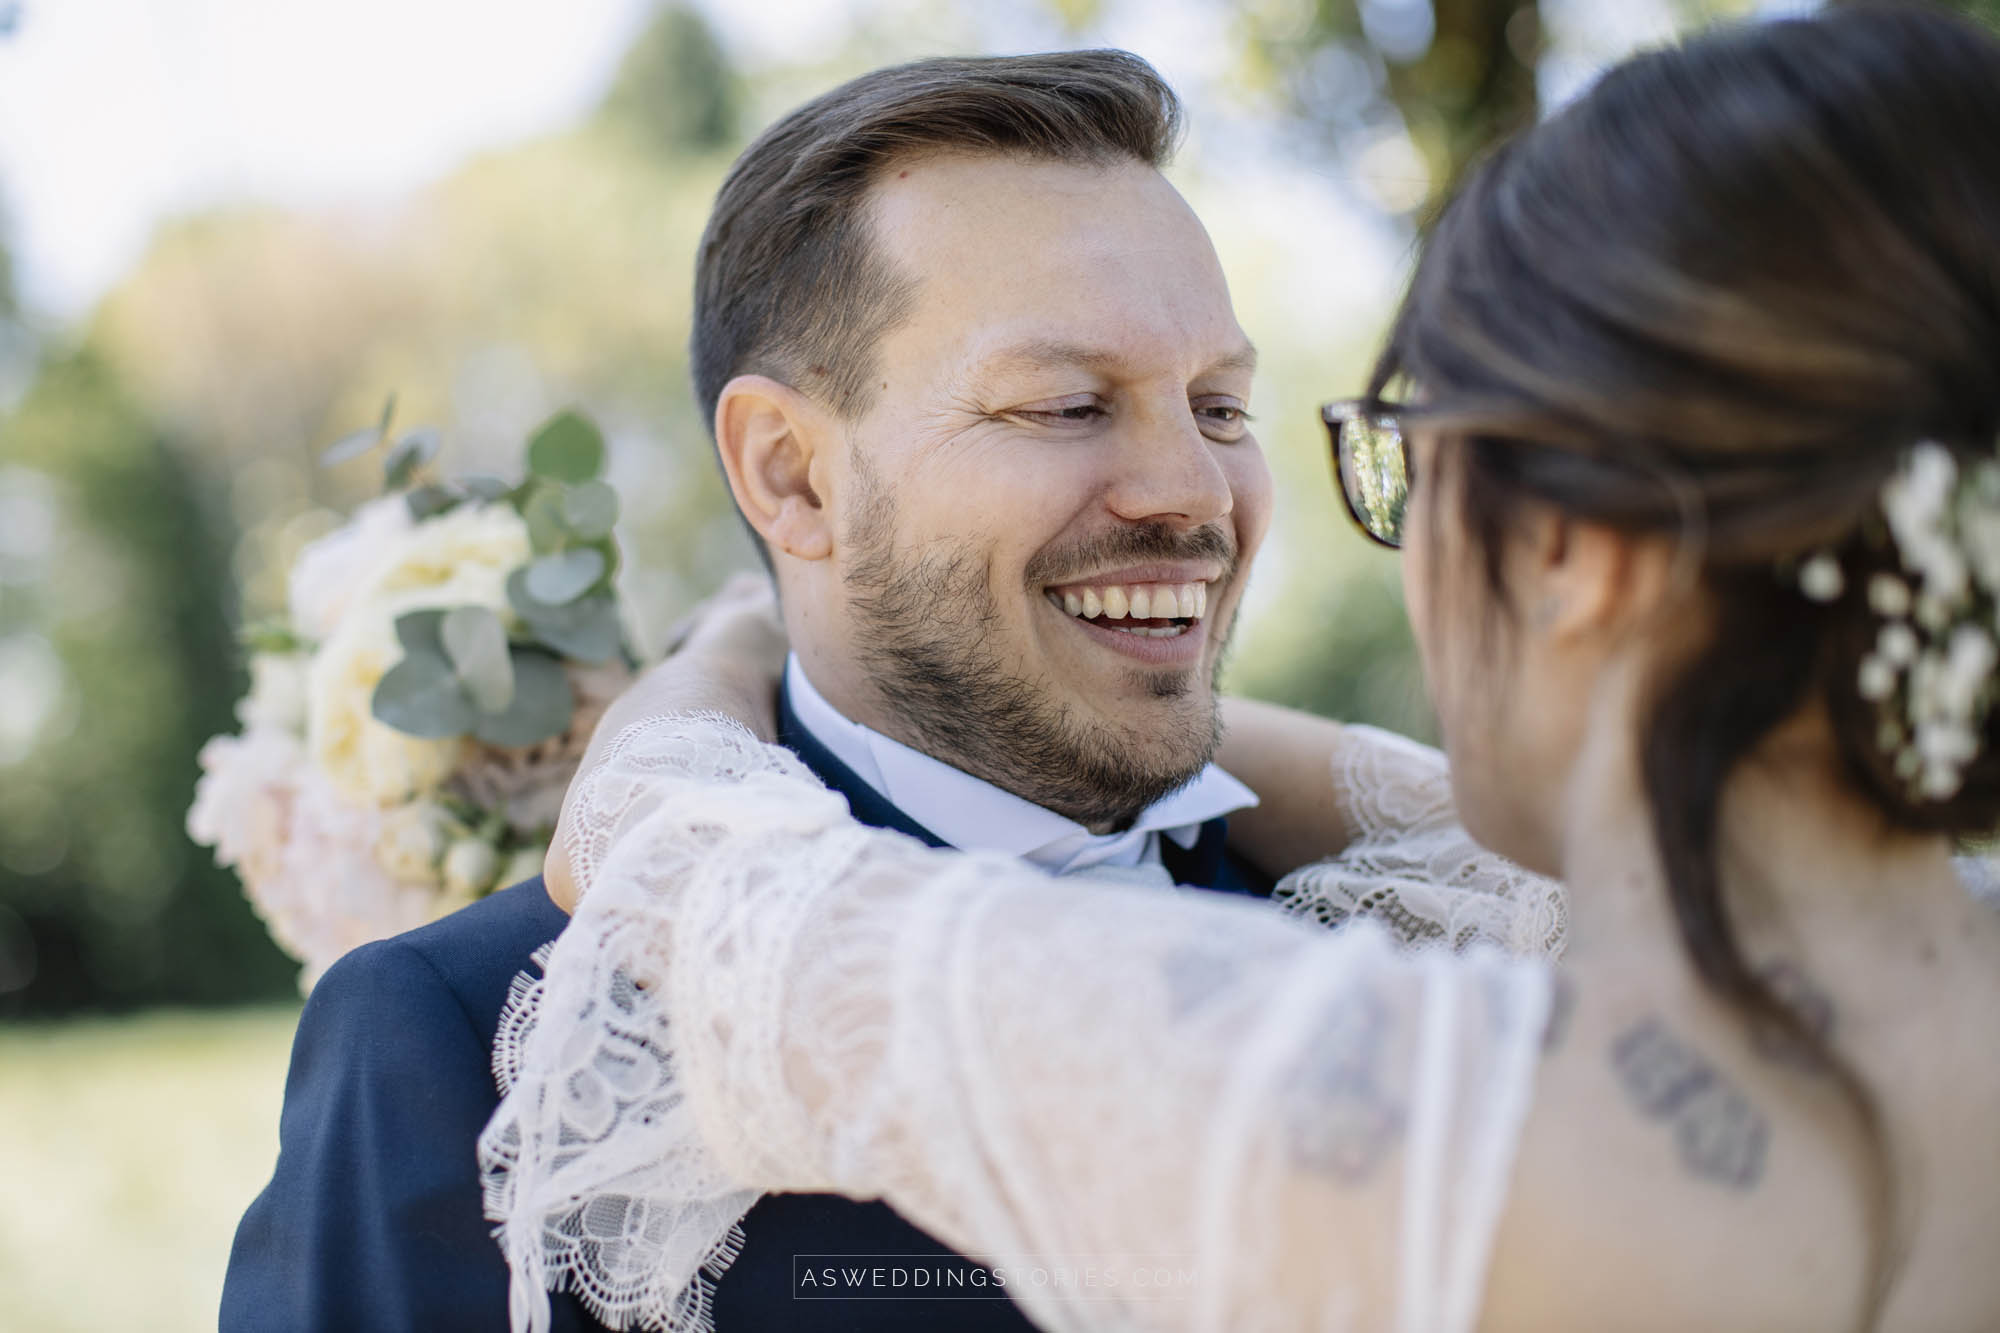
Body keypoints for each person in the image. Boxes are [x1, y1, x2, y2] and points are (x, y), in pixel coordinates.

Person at [485, 7, 2000, 1331]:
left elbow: (702, 883)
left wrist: (734, 641)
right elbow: (1435, 819)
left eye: (1403, 460)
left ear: (1583, 553)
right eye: (1070, 402)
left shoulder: (1416, 1115)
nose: (1204, 499)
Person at [227, 48, 1514, 1332]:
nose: (1194, 492)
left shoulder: (1433, 948)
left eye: (1220, 406)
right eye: (1067, 404)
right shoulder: (480, 1045)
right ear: (790, 475)